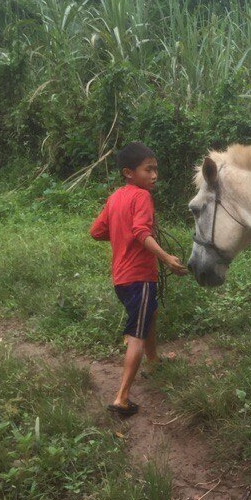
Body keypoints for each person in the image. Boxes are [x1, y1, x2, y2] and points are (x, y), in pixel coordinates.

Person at [90, 141, 187, 417]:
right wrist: (166, 257)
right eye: (149, 170)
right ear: (128, 172)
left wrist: (122, 232)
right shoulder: (142, 197)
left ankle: (153, 359)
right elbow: (141, 232)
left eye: (156, 169)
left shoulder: (115, 198)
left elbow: (96, 232)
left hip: (121, 279)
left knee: (149, 314)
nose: (155, 175)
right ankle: (122, 397)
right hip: (140, 277)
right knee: (136, 333)